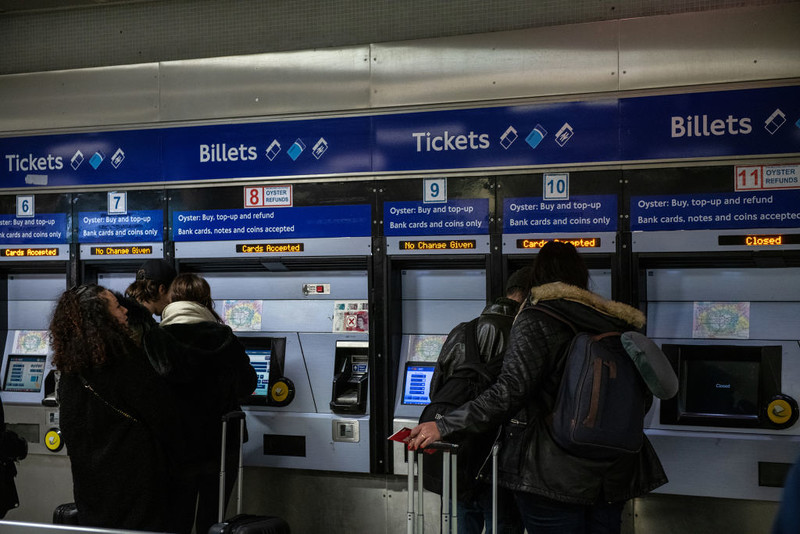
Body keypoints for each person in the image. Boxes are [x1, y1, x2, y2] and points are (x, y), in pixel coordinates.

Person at [408, 241, 668, 534]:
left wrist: (444, 425)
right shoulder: (616, 322)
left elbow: (510, 390)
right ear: (582, 279)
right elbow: (641, 397)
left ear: (537, 277)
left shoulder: (538, 317)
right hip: (614, 469)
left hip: (552, 472)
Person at [50, 284, 186, 532]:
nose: (125, 310)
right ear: (100, 316)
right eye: (117, 306)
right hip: (136, 483)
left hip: (91, 486)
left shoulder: (71, 370)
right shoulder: (125, 362)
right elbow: (164, 415)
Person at [143, 273, 257, 534]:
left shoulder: (156, 340)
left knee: (175, 520)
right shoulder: (225, 338)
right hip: (221, 444)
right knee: (213, 521)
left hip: (173, 446)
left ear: (171, 299)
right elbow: (247, 386)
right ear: (207, 301)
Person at [427, 267, 531, 534]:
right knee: (504, 521)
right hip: (499, 457)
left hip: (460, 447)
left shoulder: (462, 330)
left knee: (465, 518)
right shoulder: (524, 334)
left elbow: (436, 389)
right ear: (531, 296)